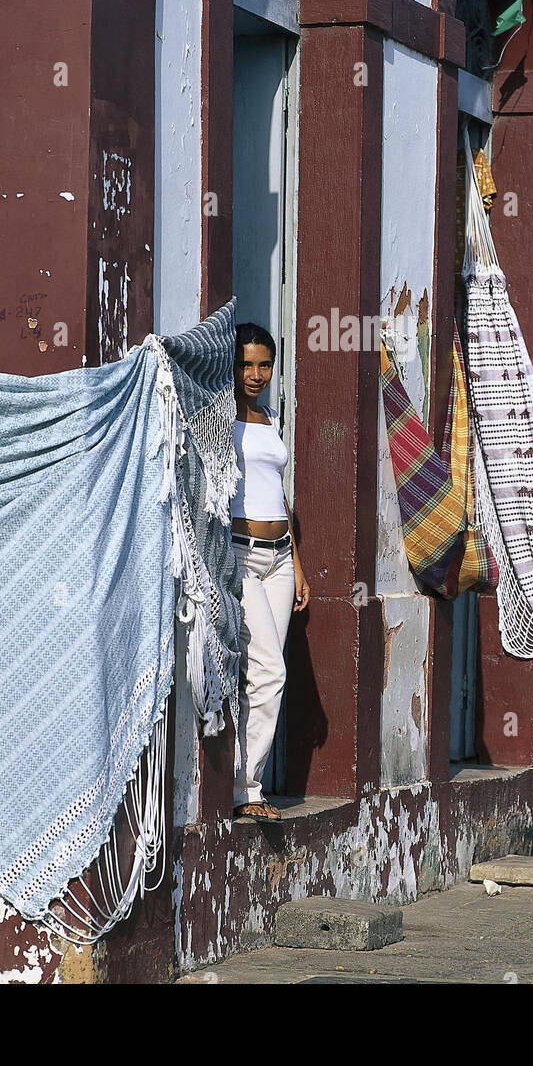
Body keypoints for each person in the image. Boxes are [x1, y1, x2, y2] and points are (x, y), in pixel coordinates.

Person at [230, 322, 308, 820]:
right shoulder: (219, 419)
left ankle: (240, 781)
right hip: (238, 554)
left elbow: (279, 493)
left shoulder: (271, 417)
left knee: (262, 674)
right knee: (269, 671)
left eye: (264, 364)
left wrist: (298, 566)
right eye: (246, 364)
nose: (256, 374)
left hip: (280, 558)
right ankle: (246, 789)